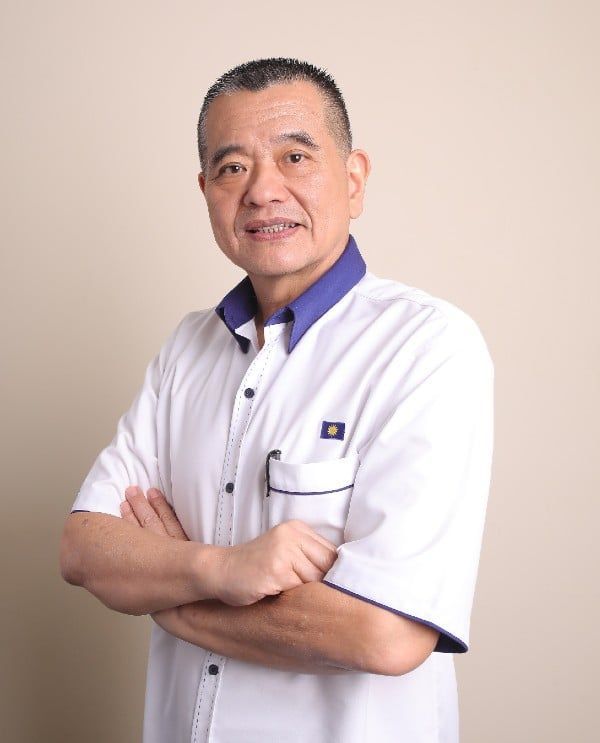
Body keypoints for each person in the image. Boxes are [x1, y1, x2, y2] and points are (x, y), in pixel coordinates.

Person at [59, 57, 494, 743]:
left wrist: (168, 596)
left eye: (295, 156)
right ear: (206, 190)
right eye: (233, 167)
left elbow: (386, 634)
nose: (263, 191)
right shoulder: (187, 349)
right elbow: (84, 549)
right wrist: (220, 568)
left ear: (354, 179)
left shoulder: (427, 346)